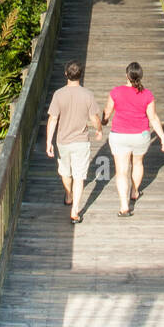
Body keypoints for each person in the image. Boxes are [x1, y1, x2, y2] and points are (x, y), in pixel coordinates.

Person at [103, 62, 164, 217]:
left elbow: (107, 112)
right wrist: (163, 139)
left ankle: (124, 206)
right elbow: (153, 118)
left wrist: (103, 122)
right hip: (141, 136)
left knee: (121, 171)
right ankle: (134, 191)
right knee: (137, 163)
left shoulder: (116, 92)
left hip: (119, 136)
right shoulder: (147, 95)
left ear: (127, 75)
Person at [46, 60, 103, 223]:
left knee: (65, 171)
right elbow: (94, 118)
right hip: (81, 141)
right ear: (81, 74)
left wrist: (48, 142)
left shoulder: (59, 94)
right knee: (79, 176)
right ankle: (75, 210)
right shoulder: (87, 95)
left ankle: (69, 195)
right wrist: (99, 130)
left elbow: (53, 119)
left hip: (63, 141)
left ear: (66, 74)